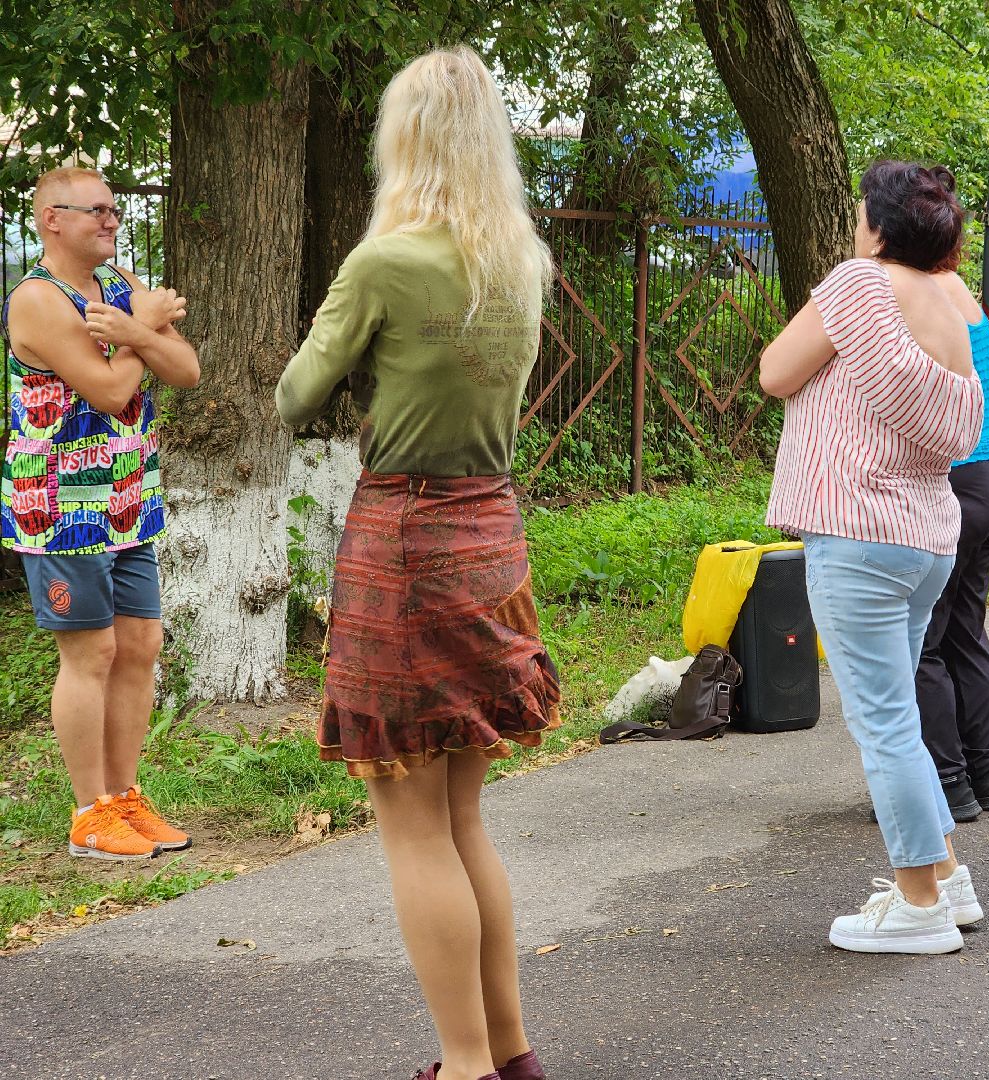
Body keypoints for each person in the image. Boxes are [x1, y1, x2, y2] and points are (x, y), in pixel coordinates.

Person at [275, 47, 559, 1080]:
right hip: (492, 534)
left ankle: (464, 1066)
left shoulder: (385, 263)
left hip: (404, 541)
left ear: (404, 140)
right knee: (464, 814)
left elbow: (294, 399)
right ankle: (508, 1053)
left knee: (410, 826)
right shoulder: (518, 260)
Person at [762, 161, 985, 955]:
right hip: (925, 534)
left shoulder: (861, 283)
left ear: (881, 225)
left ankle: (919, 903)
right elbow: (955, 423)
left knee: (883, 722)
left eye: (863, 213)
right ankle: (947, 878)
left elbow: (774, 370)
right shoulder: (950, 306)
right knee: (901, 718)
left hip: (856, 530)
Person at [2, 166, 199, 860]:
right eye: (97, 211)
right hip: (61, 508)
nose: (112, 221)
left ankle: (124, 798)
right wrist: (141, 332)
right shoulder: (37, 301)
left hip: (127, 501)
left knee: (140, 649)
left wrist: (137, 332)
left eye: (115, 210)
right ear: (52, 219)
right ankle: (88, 813)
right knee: (92, 653)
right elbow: (114, 391)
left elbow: (188, 370)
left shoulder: (119, 290)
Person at [913, 252, 989, 823]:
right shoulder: (958, 287)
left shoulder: (919, 293)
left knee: (922, 643)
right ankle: (983, 775)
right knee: (965, 634)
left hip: (957, 479)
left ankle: (946, 784)